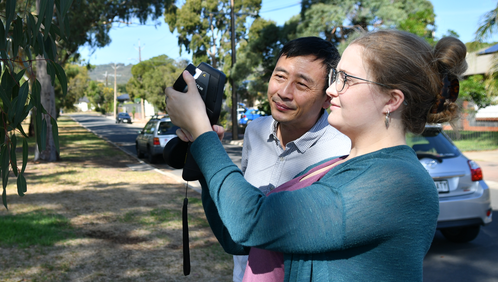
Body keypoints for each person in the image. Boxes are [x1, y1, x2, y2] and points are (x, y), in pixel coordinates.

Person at [166, 30, 466, 282]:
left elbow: (252, 221)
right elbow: (239, 237)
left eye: (346, 79)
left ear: (391, 100)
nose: (331, 90)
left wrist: (204, 133)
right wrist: (204, 158)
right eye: (336, 77)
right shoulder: (335, 168)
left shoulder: (399, 184)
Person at [234, 37, 351, 282]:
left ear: (327, 97)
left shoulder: (344, 150)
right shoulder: (254, 131)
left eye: (301, 84)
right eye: (279, 76)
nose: (283, 93)